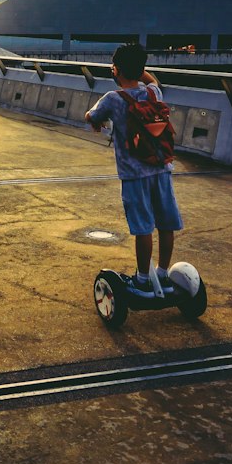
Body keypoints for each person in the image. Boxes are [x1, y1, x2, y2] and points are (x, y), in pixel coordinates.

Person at [86, 43, 183, 299]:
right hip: (161, 169)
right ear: (141, 69)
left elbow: (92, 116)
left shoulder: (113, 99)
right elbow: (151, 80)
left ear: (115, 70)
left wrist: (94, 120)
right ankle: (163, 275)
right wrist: (137, 70)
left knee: (143, 227)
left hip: (133, 175)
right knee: (165, 224)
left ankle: (142, 281)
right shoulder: (153, 94)